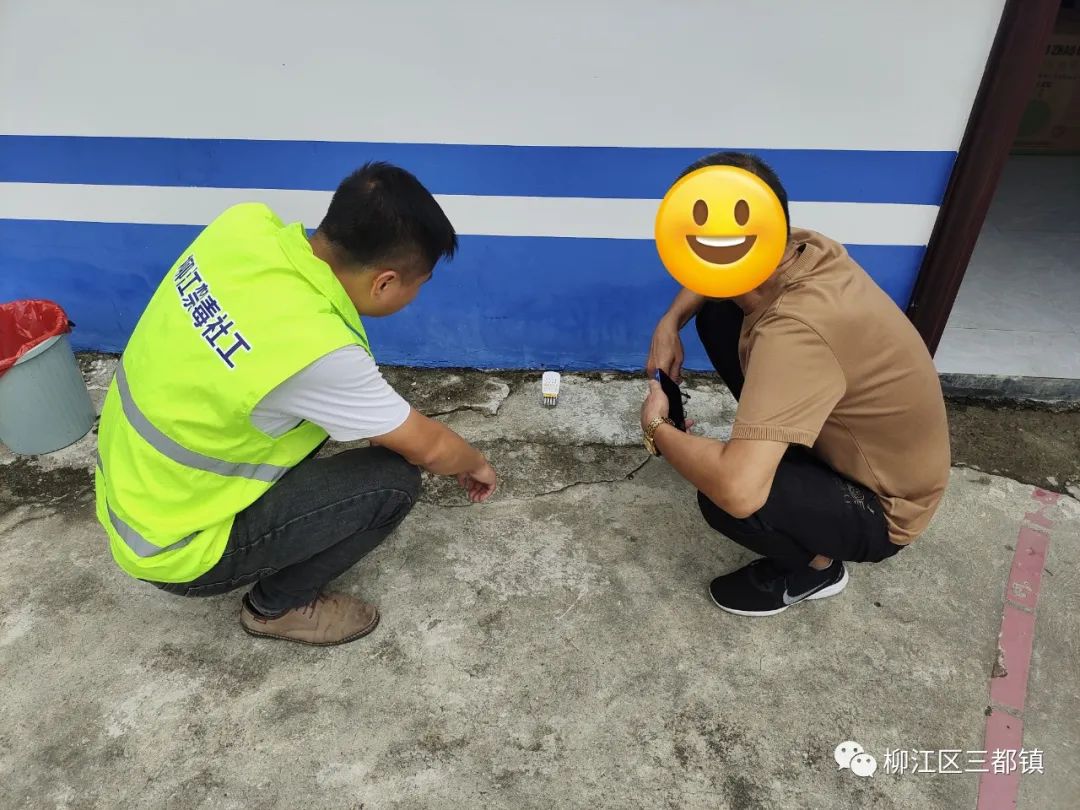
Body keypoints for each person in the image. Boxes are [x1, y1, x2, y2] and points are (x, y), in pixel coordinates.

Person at [95, 162, 498, 646]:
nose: (415, 296)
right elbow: (429, 447)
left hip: (131, 493)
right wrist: (475, 463)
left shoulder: (241, 227)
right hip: (178, 548)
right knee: (393, 482)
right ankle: (276, 607)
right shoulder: (314, 348)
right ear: (385, 282)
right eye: (420, 284)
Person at [641, 151, 951, 617]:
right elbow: (720, 266)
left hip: (885, 507)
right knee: (719, 314)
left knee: (727, 498)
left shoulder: (795, 333)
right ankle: (778, 446)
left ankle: (816, 570)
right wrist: (669, 323)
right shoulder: (802, 247)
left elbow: (738, 490)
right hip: (864, 445)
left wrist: (658, 429)